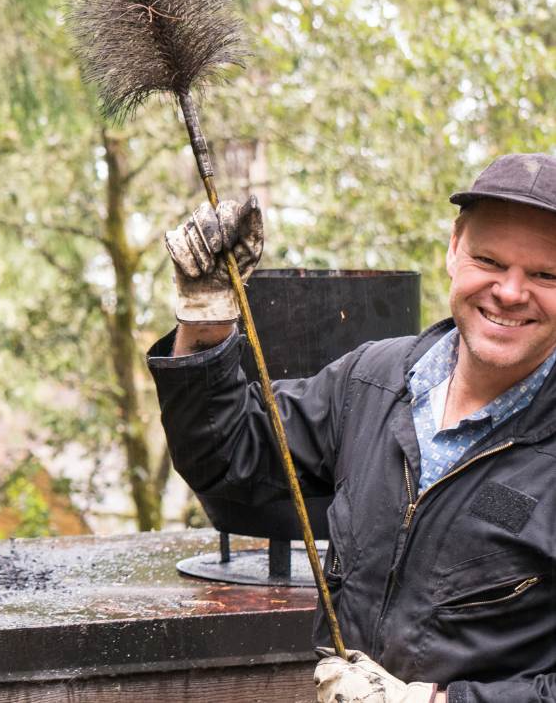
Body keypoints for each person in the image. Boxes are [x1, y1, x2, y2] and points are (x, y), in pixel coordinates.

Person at [146, 153, 556, 703]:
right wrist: (206, 317)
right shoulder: (373, 380)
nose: (509, 292)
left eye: (544, 274)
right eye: (489, 260)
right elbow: (229, 460)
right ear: (454, 249)